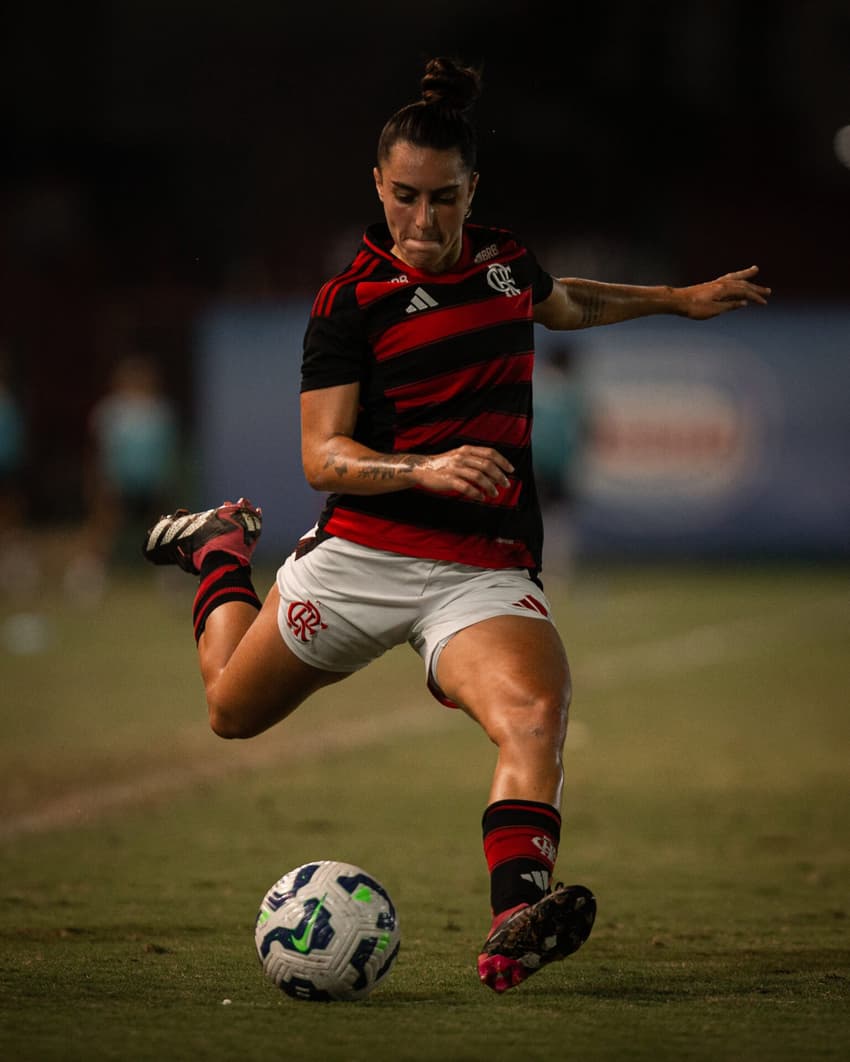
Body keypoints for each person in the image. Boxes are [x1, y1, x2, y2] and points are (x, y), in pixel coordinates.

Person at [143, 57, 770, 994]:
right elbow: (324, 456)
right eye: (406, 198)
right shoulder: (349, 302)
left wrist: (676, 300)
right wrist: (423, 468)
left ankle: (514, 915)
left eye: (444, 199)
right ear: (378, 186)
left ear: (472, 190)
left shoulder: (506, 261)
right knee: (230, 712)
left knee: (535, 712)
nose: (425, 223)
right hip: (362, 555)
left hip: (482, 569)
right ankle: (222, 551)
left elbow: (568, 304)